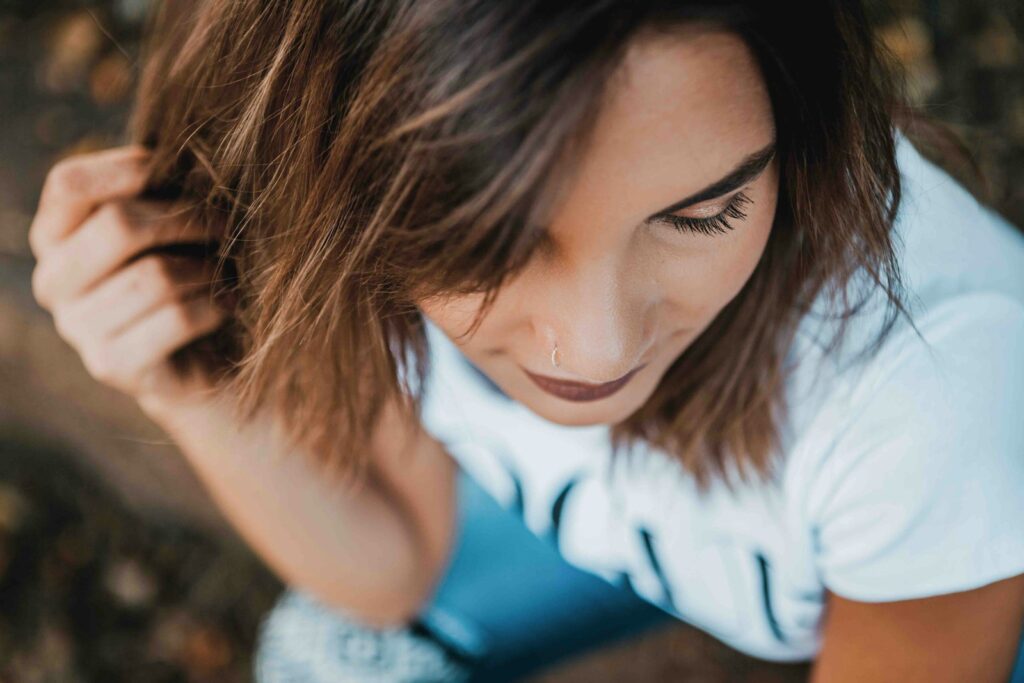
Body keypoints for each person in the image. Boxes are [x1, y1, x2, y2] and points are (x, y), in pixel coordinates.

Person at [26, 0, 1024, 680]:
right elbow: (395, 568)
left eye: (706, 213)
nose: (594, 354)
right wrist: (186, 385)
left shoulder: (932, 405)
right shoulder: (361, 237)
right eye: (488, 244)